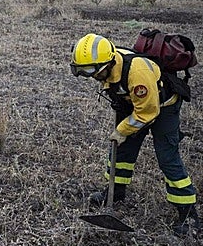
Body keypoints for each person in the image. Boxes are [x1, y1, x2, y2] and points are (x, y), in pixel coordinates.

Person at [70, 33, 199, 235]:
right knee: (121, 152)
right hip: (134, 104)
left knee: (167, 158)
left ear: (108, 63)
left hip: (162, 108)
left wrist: (122, 129)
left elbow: (148, 112)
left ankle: (188, 213)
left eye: (93, 72)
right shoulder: (108, 65)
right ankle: (116, 193)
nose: (91, 76)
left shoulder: (137, 73)